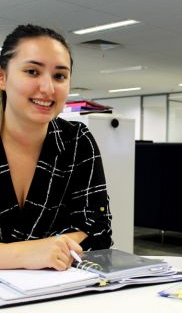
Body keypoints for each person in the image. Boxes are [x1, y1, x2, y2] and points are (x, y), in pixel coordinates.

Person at [0, 24, 112, 271]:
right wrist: (27, 254)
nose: (48, 88)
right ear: (2, 77)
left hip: (55, 294)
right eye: (32, 71)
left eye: (59, 76)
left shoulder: (76, 141)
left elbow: (98, 231)